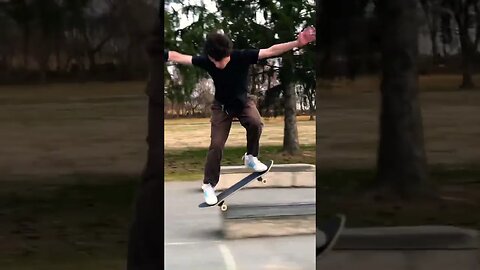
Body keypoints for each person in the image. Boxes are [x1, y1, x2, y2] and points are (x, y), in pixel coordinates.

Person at [164, 27, 316, 205]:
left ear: (229, 53)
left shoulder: (242, 56)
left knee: (256, 123)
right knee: (216, 145)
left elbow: (271, 50)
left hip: (243, 103)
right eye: (215, 62)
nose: (219, 65)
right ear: (210, 58)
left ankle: (251, 157)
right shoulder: (207, 60)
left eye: (223, 60)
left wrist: (297, 43)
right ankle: (208, 185)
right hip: (221, 108)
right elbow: (177, 56)